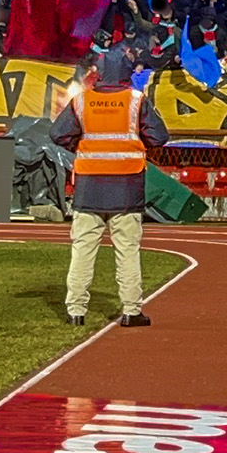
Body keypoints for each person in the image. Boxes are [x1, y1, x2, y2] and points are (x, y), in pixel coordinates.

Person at [51, 47, 169, 327]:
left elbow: (58, 133)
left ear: (100, 74)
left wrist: (80, 146)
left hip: (89, 187)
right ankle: (131, 311)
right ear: (126, 73)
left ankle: (75, 311)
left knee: (82, 251)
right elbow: (159, 136)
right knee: (127, 251)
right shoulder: (137, 100)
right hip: (127, 188)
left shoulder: (81, 101)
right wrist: (137, 144)